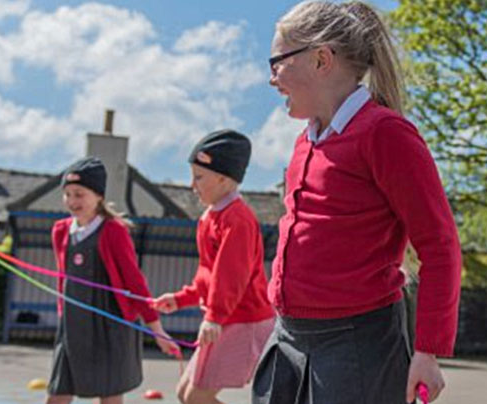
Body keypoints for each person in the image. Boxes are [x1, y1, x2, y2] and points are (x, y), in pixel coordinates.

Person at [253, 2, 462, 403]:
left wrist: (427, 350)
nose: (271, 78)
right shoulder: (304, 142)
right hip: (289, 337)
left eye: (277, 61)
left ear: (321, 59)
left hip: (355, 344)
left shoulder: (385, 134)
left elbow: (440, 246)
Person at [153, 130, 275, 404]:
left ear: (223, 178)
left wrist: (215, 316)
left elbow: (231, 275)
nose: (192, 185)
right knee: (185, 393)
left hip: (244, 320)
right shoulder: (210, 217)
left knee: (196, 397)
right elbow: (207, 275)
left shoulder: (237, 219)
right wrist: (180, 298)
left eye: (199, 177)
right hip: (225, 318)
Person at [47, 156, 179, 404]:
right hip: (73, 326)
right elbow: (62, 278)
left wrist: (157, 330)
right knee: (58, 393)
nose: (72, 201)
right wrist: (62, 313)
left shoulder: (113, 230)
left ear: (98, 196)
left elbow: (135, 282)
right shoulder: (60, 231)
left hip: (109, 324)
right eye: (68, 194)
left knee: (109, 395)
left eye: (79, 194)